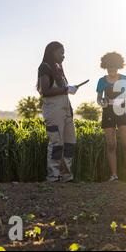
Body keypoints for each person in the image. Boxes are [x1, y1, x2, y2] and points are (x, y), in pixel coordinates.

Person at [37, 41, 79, 183]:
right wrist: (66, 89)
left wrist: (68, 92)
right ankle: (53, 176)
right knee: (56, 143)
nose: (63, 56)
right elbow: (45, 91)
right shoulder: (45, 67)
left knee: (70, 142)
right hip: (53, 111)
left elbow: (64, 93)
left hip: (66, 110)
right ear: (52, 52)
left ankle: (67, 176)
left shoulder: (59, 68)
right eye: (61, 52)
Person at [96, 52, 126, 183]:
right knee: (111, 145)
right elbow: (98, 99)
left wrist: (120, 100)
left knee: (125, 144)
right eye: (109, 69)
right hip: (108, 113)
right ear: (105, 67)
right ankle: (114, 175)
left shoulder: (124, 79)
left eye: (114, 69)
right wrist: (103, 102)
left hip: (122, 111)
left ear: (118, 67)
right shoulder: (102, 81)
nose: (111, 71)